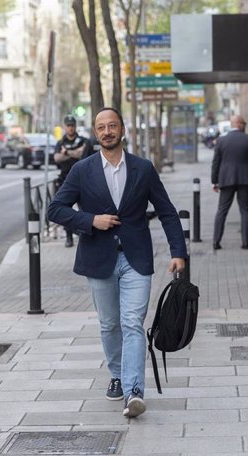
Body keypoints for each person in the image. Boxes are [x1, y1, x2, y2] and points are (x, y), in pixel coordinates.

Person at [48, 107, 186, 418]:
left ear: (122, 129)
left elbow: (166, 211)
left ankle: (134, 391)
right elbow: (55, 209)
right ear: (95, 133)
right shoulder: (82, 170)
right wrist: (90, 220)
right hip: (99, 259)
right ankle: (117, 374)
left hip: (136, 258)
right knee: (109, 324)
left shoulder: (143, 168)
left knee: (132, 323)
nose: (107, 131)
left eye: (112, 125)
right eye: (101, 127)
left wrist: (179, 252)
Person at [211, 115, 248, 250]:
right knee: (245, 210)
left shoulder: (221, 141)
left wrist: (214, 181)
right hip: (245, 179)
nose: (244, 125)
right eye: (243, 123)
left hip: (226, 179)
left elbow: (216, 162)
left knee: (222, 210)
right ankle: (245, 242)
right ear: (238, 124)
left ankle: (216, 241)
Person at [53, 115, 93, 247]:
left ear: (75, 126)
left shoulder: (83, 141)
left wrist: (67, 153)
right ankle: (69, 236)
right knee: (64, 210)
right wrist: (73, 153)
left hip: (83, 180)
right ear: (65, 127)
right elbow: (57, 158)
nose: (70, 128)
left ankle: (87, 234)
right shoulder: (60, 142)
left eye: (72, 125)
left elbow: (82, 155)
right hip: (65, 179)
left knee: (86, 209)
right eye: (68, 125)